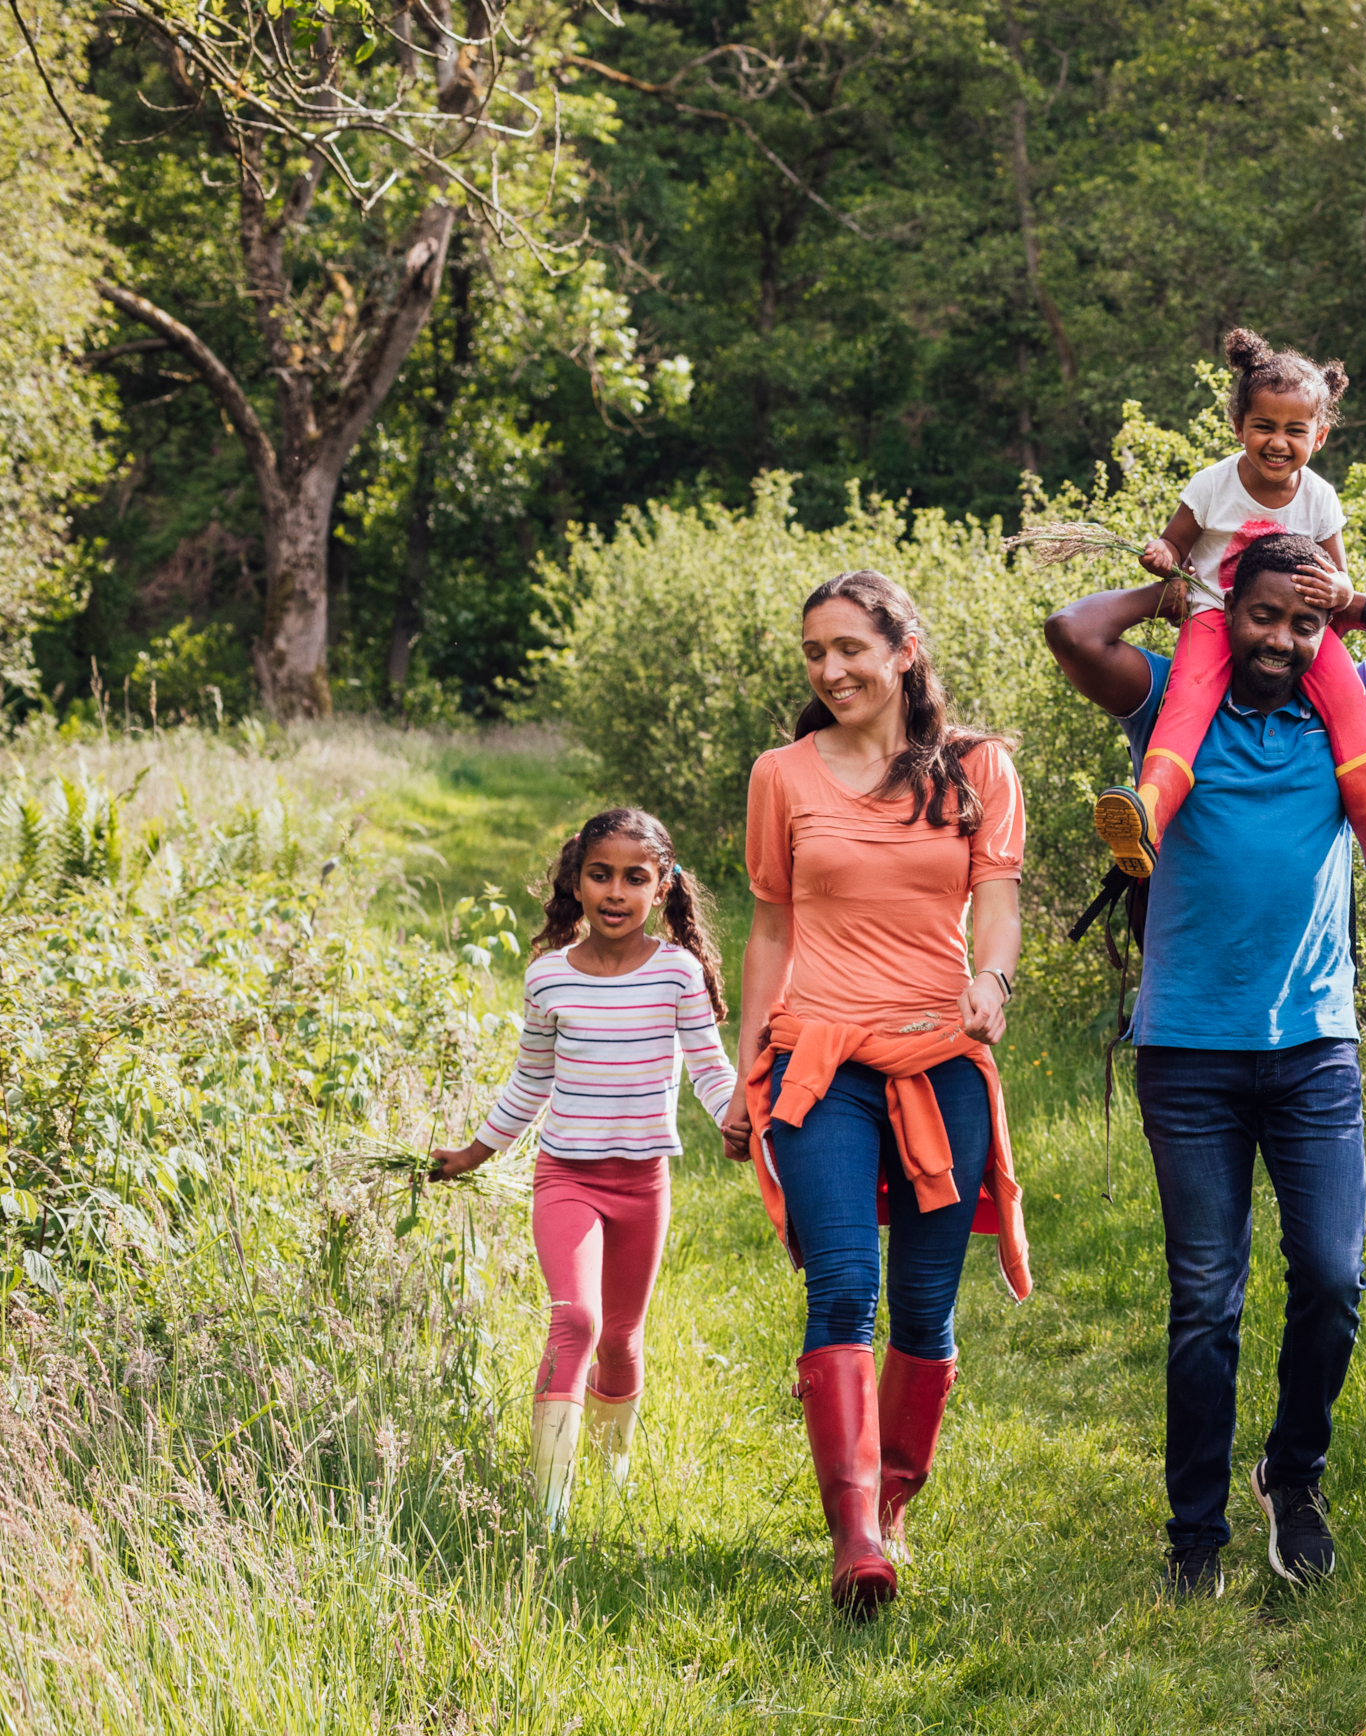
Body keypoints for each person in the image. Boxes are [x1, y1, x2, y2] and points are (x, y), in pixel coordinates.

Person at [1045, 530, 1366, 1596]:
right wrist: (1170, 599)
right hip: (1186, 1051)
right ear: (1229, 618)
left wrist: (1362, 610)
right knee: (1206, 1299)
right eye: (1263, 617)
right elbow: (1072, 632)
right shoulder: (1172, 697)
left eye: (1300, 622)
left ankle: (1290, 1478)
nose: (1281, 638)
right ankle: (1193, 1537)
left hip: (1313, 1050)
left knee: (1334, 1282)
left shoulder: (1345, 701)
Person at [718, 570, 1030, 1619]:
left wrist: (991, 983)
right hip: (816, 1063)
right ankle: (857, 1543)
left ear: (904, 649)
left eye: (850, 647)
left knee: (927, 1306)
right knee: (842, 1283)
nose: (831, 669)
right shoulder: (782, 775)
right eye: (814, 654)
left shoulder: (977, 767)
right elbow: (769, 928)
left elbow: (996, 902)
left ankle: (893, 1503)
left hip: (943, 1058)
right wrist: (741, 1075)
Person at [434, 808, 738, 1531]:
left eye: (635, 877)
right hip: (565, 1176)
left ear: (662, 888)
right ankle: (548, 1510)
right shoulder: (548, 978)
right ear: (577, 880)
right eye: (600, 874)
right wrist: (474, 1153)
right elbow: (528, 1082)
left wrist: (739, 1121)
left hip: (643, 1184)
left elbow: (710, 1071)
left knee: (623, 1339)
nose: (615, 891)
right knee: (577, 1318)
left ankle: (611, 1471)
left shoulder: (677, 973)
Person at [1091, 327, 1366, 886]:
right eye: (1263, 426)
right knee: (1187, 702)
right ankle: (1149, 815)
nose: (1277, 441)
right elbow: (1176, 542)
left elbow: (1339, 575)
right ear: (1238, 426)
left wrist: (1341, 594)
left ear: (1320, 436)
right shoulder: (1212, 484)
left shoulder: (1319, 496)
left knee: (1347, 703)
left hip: (1306, 623)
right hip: (1217, 612)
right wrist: (1162, 555)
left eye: (1295, 430)